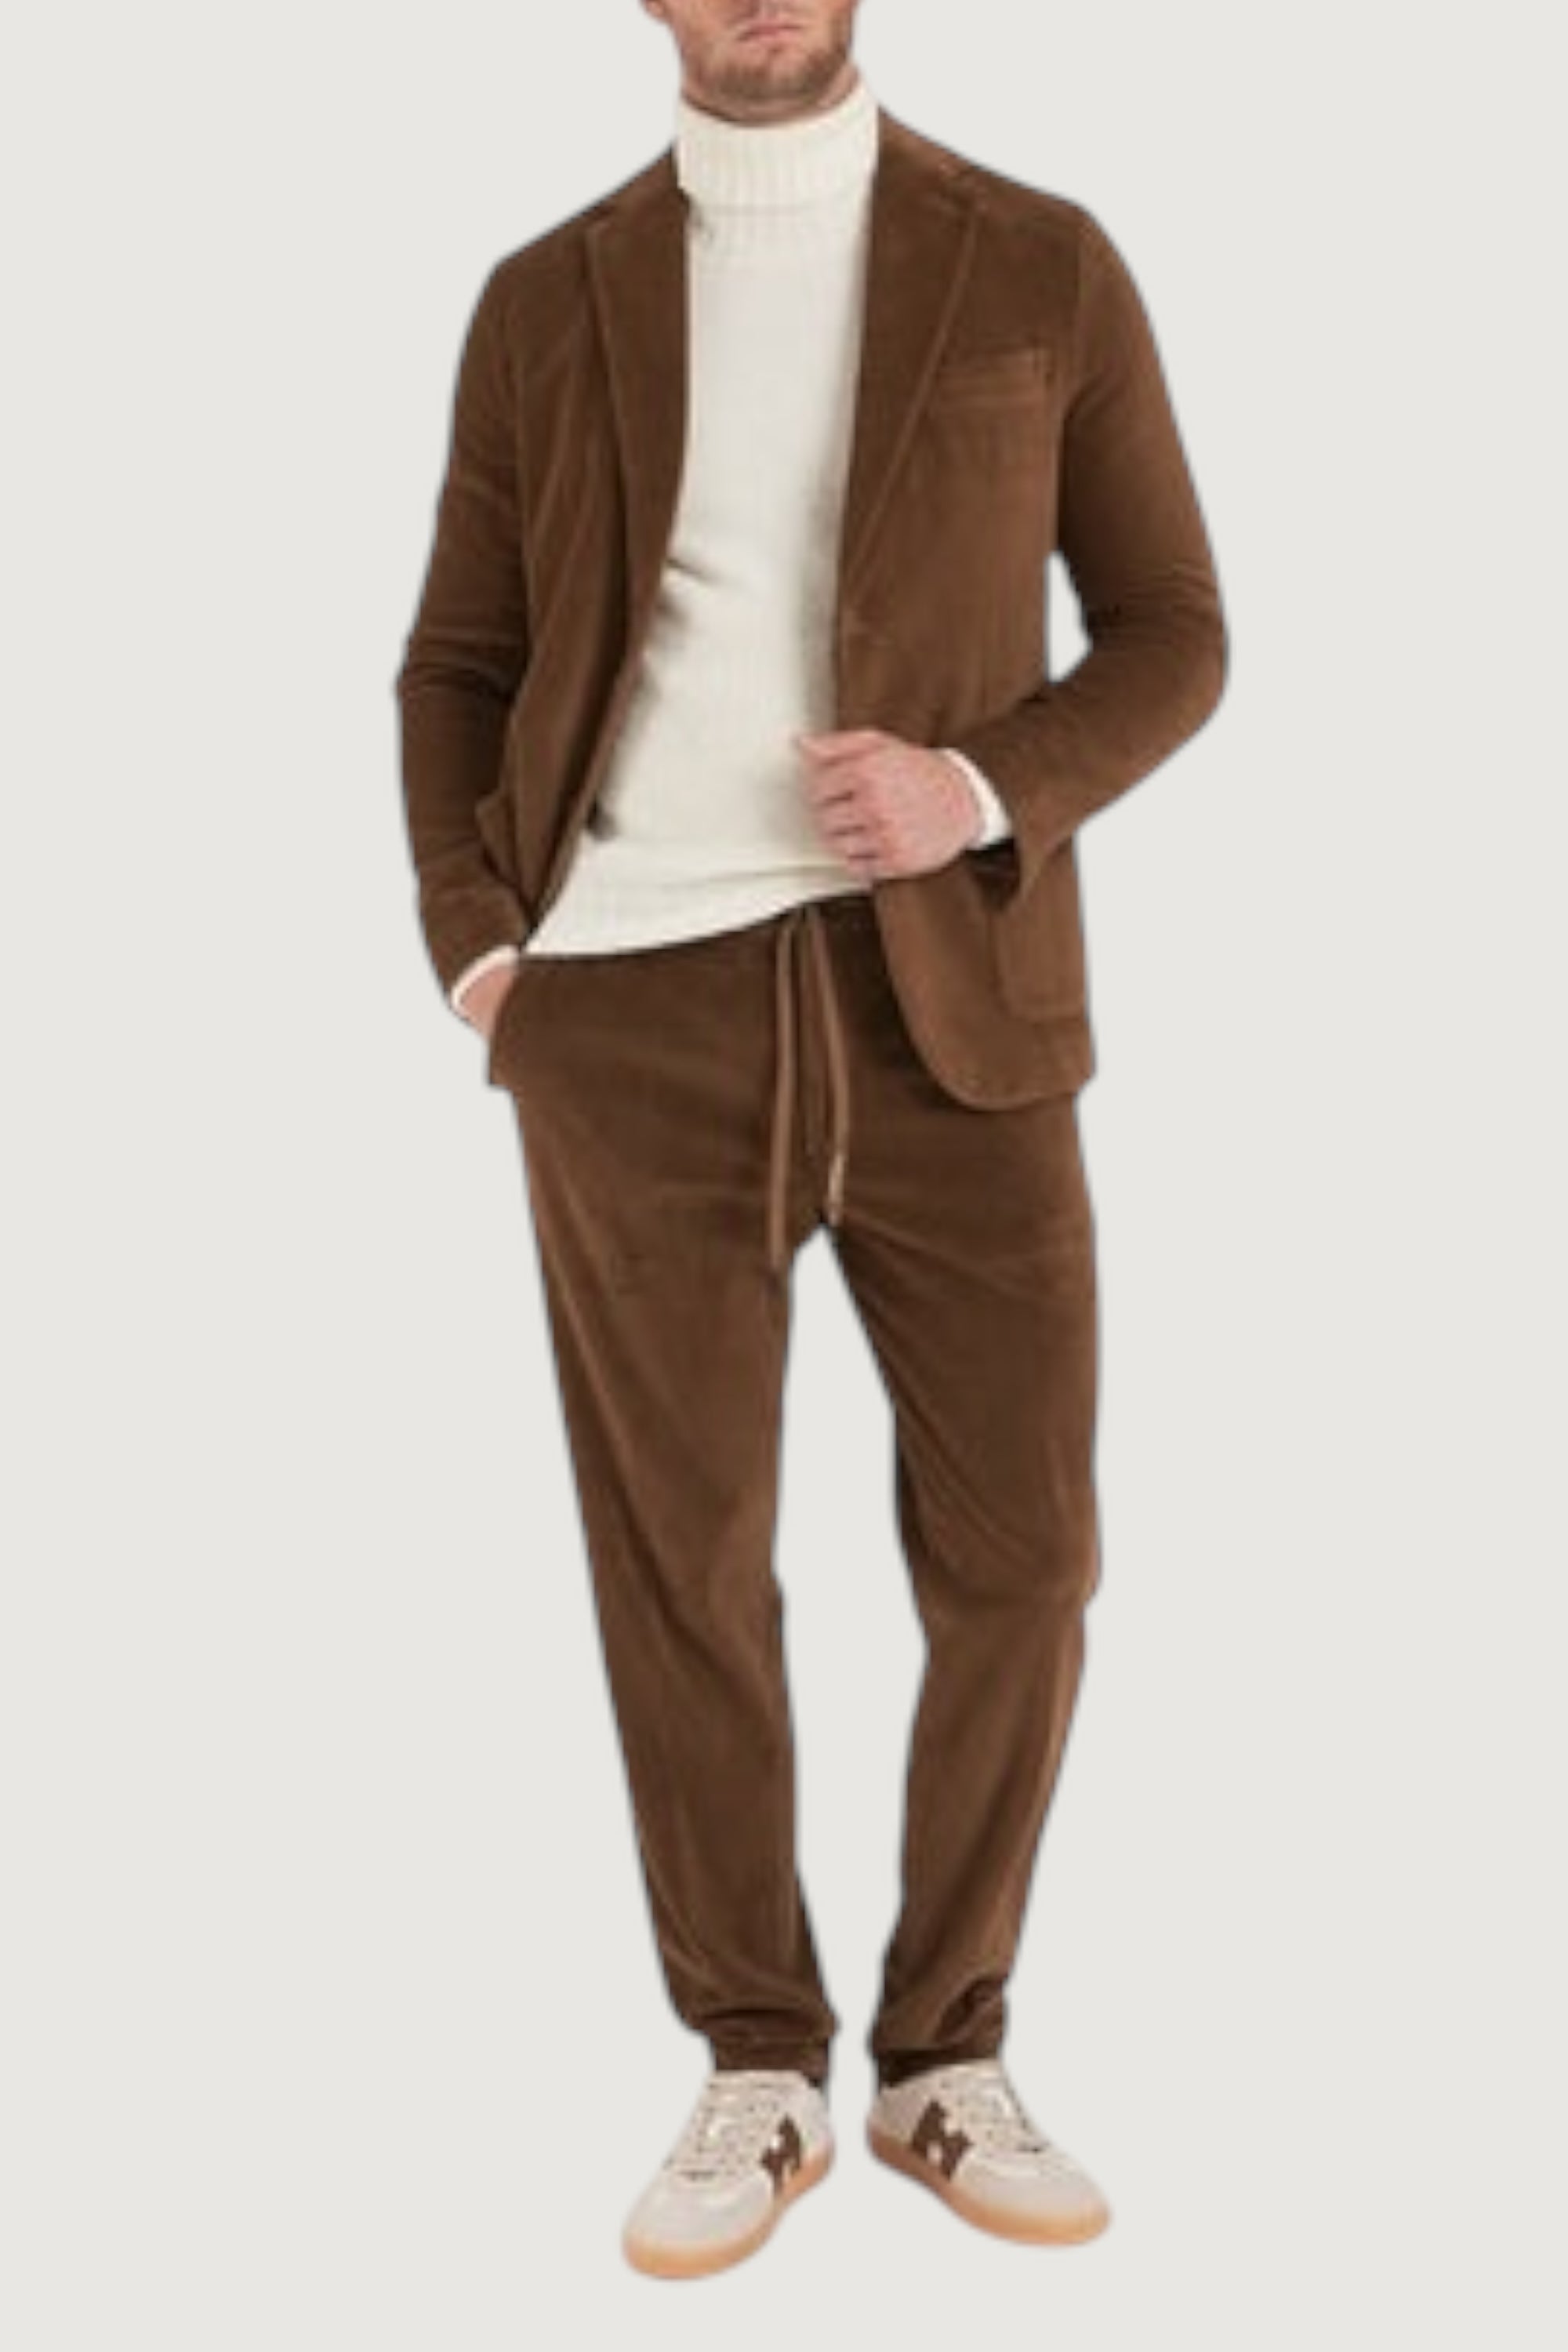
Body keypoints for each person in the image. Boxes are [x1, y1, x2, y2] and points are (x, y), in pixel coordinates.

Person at [394, 0, 1225, 2281]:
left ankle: (946, 2051)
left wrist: (981, 790)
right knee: (683, 1565)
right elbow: (457, 660)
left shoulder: (1041, 260)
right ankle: (756, 2058)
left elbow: (1172, 630)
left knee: (1028, 1554)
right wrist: (485, 957)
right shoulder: (545, 298)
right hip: (629, 1012)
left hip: (957, 1001)